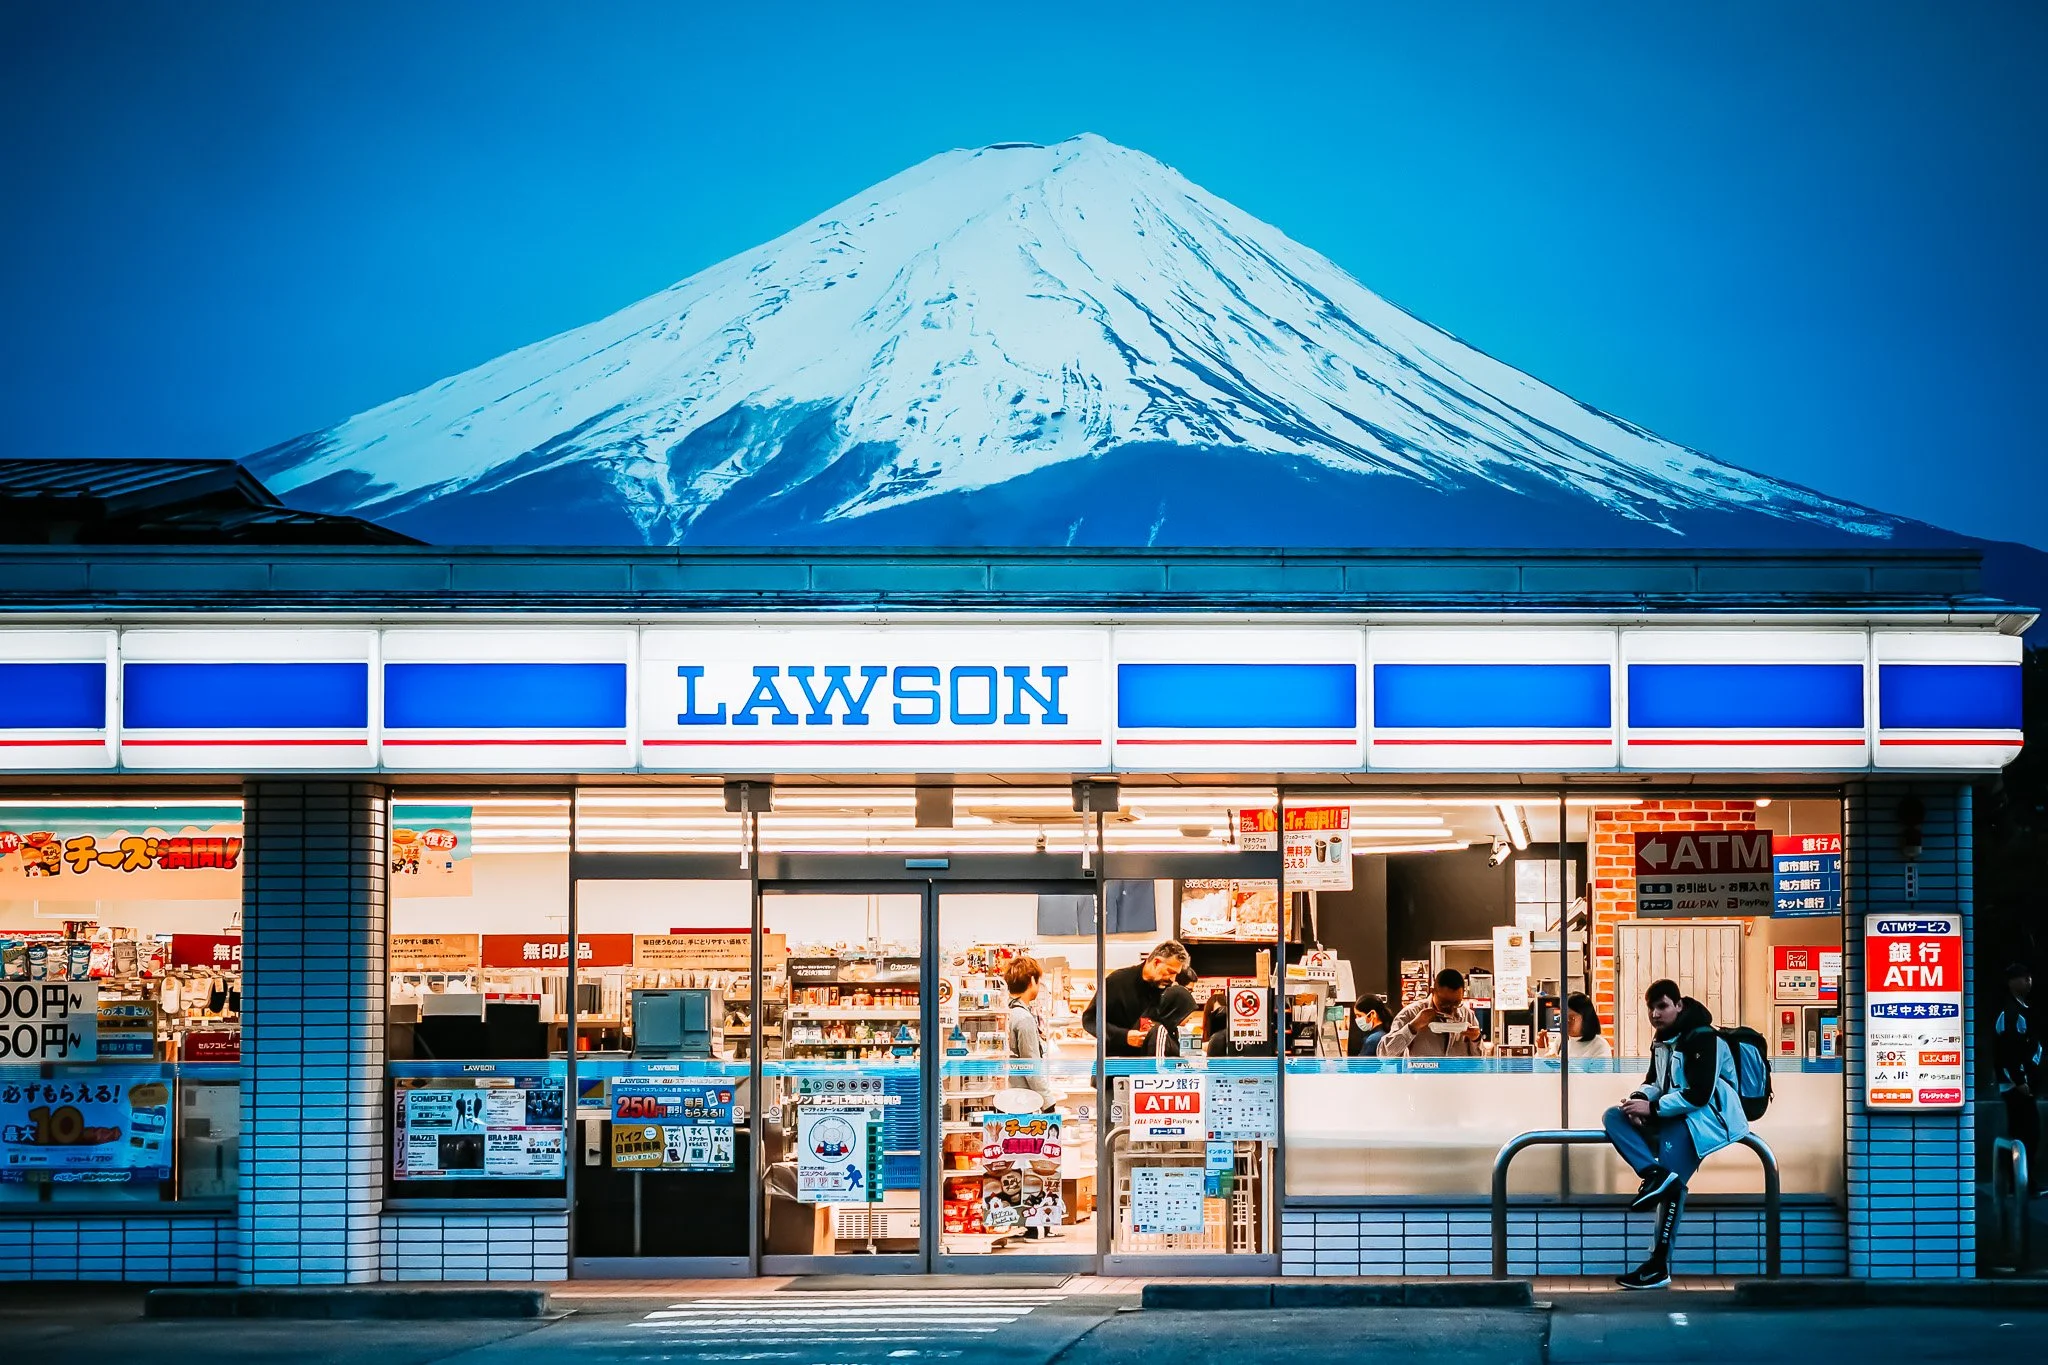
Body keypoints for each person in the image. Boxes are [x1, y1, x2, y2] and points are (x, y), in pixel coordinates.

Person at [1601, 978, 1750, 1289]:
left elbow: (1699, 1095)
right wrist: (1638, 1100)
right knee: (1614, 1117)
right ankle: (1654, 1174)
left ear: (1679, 1005)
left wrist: (1652, 1111)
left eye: (1662, 1006)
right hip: (1674, 1116)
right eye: (1651, 1008)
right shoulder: (1662, 1040)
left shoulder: (1703, 1037)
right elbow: (1655, 1082)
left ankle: (1658, 1264)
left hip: (1704, 1120)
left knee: (1674, 1188)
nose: (1656, 1014)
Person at [1081, 940, 1197, 1056]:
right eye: (1170, 972)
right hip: (1115, 1064)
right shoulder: (1117, 982)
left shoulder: (1167, 989)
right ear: (1156, 962)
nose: (1172, 979)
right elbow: (1090, 1020)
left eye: (1176, 974)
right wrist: (1124, 1036)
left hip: (1149, 1062)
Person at [1994, 961, 2042, 1195]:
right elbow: (2009, 1050)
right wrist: (2020, 1080)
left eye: (2029, 977)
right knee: (2027, 1132)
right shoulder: (2011, 1013)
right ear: (2012, 982)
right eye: (2024, 977)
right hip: (2016, 1085)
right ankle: (2019, 1183)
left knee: (2025, 1132)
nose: (2028, 981)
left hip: (2022, 1083)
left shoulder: (2023, 1010)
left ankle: (2018, 1182)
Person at [1379, 969, 1483, 1057]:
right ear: (1432, 991)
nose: (1451, 1009)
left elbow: (1479, 1061)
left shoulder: (1468, 1016)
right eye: (1444, 1004)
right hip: (1421, 1080)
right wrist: (1413, 1027)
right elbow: (1385, 1054)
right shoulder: (1411, 1013)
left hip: (1458, 1079)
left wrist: (1476, 1039)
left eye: (1456, 1003)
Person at [1003, 955, 1059, 1106]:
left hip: (1007, 1097)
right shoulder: (1024, 1018)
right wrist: (1048, 1103)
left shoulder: (1006, 1012)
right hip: (1022, 1101)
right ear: (1032, 981)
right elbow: (1031, 1066)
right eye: (1038, 981)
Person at [1543, 993, 1612, 1062]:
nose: (1566, 1021)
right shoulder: (1561, 1040)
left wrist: (1563, 1064)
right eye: (1563, 1016)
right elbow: (1543, 1070)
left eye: (1571, 1018)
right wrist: (1542, 1049)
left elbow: (1601, 1072)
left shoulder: (1600, 1046)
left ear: (1586, 1019)